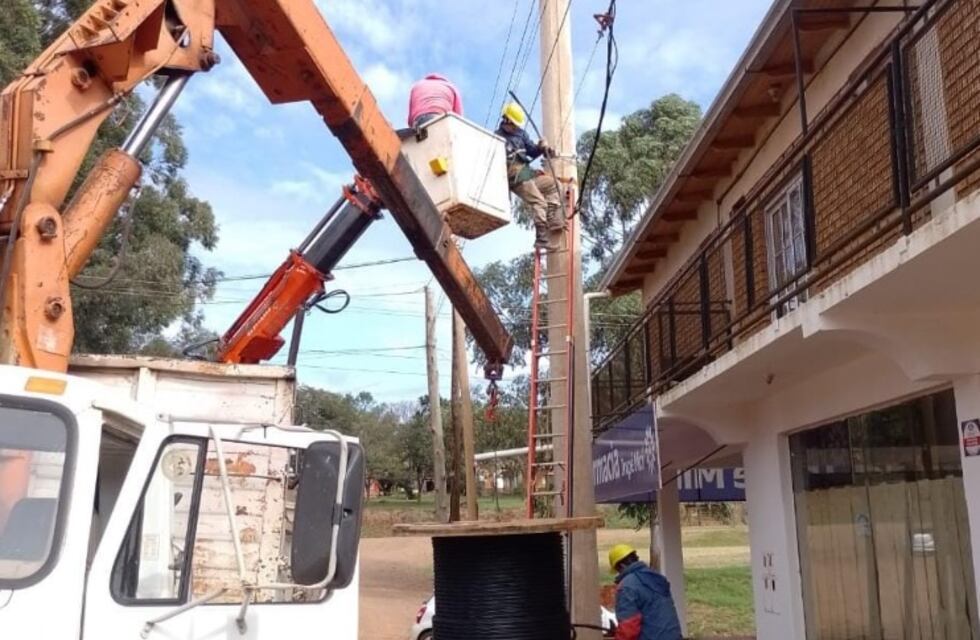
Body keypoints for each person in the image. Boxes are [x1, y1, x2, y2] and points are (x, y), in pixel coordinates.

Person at [496, 101, 565, 250]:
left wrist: (541, 147)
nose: (515, 127)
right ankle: (541, 238)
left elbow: (532, 151)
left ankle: (551, 218)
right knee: (539, 202)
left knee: (554, 185)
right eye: (513, 124)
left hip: (526, 172)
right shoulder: (497, 138)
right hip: (514, 175)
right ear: (506, 120)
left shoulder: (521, 134)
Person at [608, 543, 683, 640]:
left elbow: (629, 627)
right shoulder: (657, 578)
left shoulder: (627, 587)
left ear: (622, 566)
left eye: (618, 570)